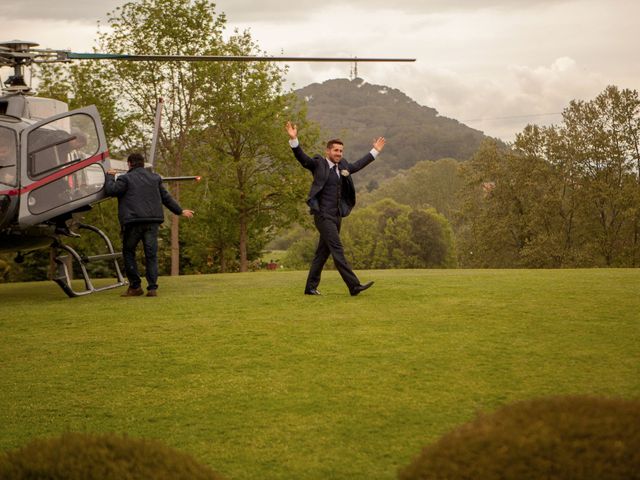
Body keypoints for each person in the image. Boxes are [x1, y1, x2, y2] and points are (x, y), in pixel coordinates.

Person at [285, 121, 385, 296]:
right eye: (336, 150)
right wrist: (294, 140)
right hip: (323, 216)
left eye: (341, 151)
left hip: (337, 216)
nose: (339, 154)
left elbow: (358, 165)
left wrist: (374, 151)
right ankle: (353, 286)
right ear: (328, 151)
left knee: (322, 253)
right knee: (337, 248)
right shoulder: (318, 164)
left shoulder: (344, 166)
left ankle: (310, 288)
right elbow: (303, 159)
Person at [105, 152, 194, 297]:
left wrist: (110, 176)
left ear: (129, 164)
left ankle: (135, 286)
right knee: (151, 254)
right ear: (142, 163)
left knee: (128, 252)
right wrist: (180, 211)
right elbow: (166, 198)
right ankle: (152, 288)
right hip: (152, 222)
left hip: (133, 222)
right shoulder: (155, 178)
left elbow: (111, 191)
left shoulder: (125, 178)